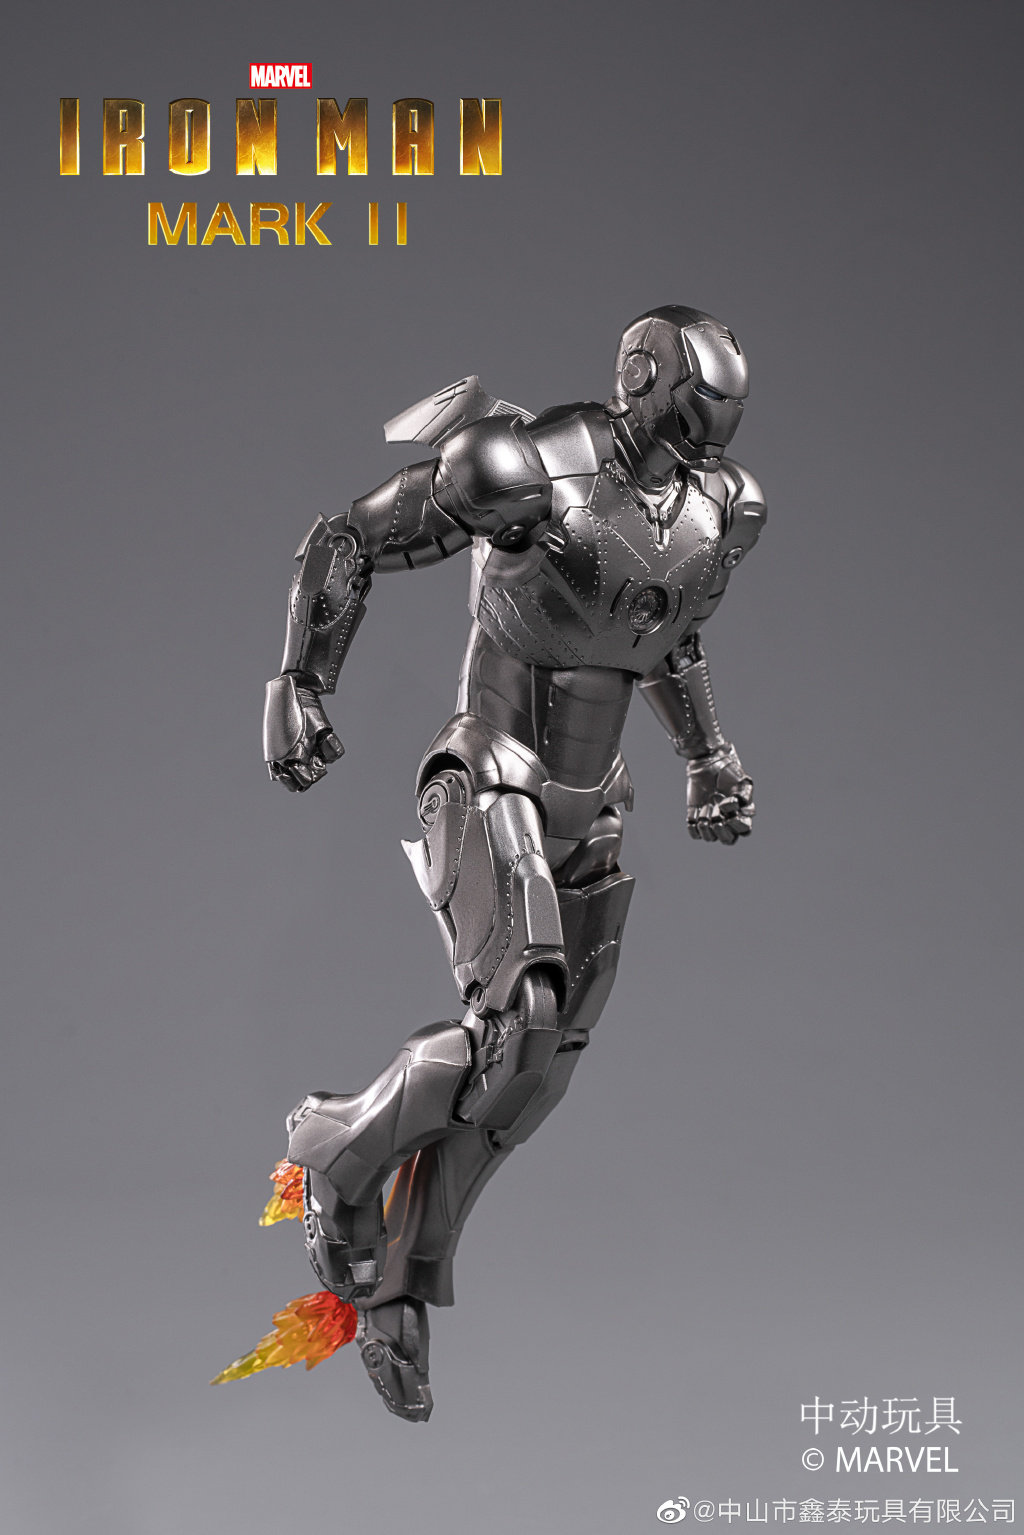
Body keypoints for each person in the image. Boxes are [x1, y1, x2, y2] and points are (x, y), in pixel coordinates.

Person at [262, 306, 766, 1421]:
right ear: (642, 383)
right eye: (690, 410)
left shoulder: (718, 509)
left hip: (596, 802)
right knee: (522, 1016)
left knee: (532, 1074)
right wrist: (297, 684)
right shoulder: (525, 468)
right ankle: (339, 1146)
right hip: (490, 772)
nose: (703, 437)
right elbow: (351, 537)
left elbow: (663, 634)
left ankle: (402, 1282)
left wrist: (706, 753)